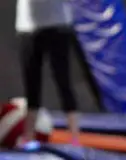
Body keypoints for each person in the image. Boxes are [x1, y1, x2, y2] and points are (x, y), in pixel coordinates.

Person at [15, 0, 80, 146]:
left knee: (63, 81)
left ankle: (74, 137)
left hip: (57, 24)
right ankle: (29, 136)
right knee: (31, 84)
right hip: (28, 26)